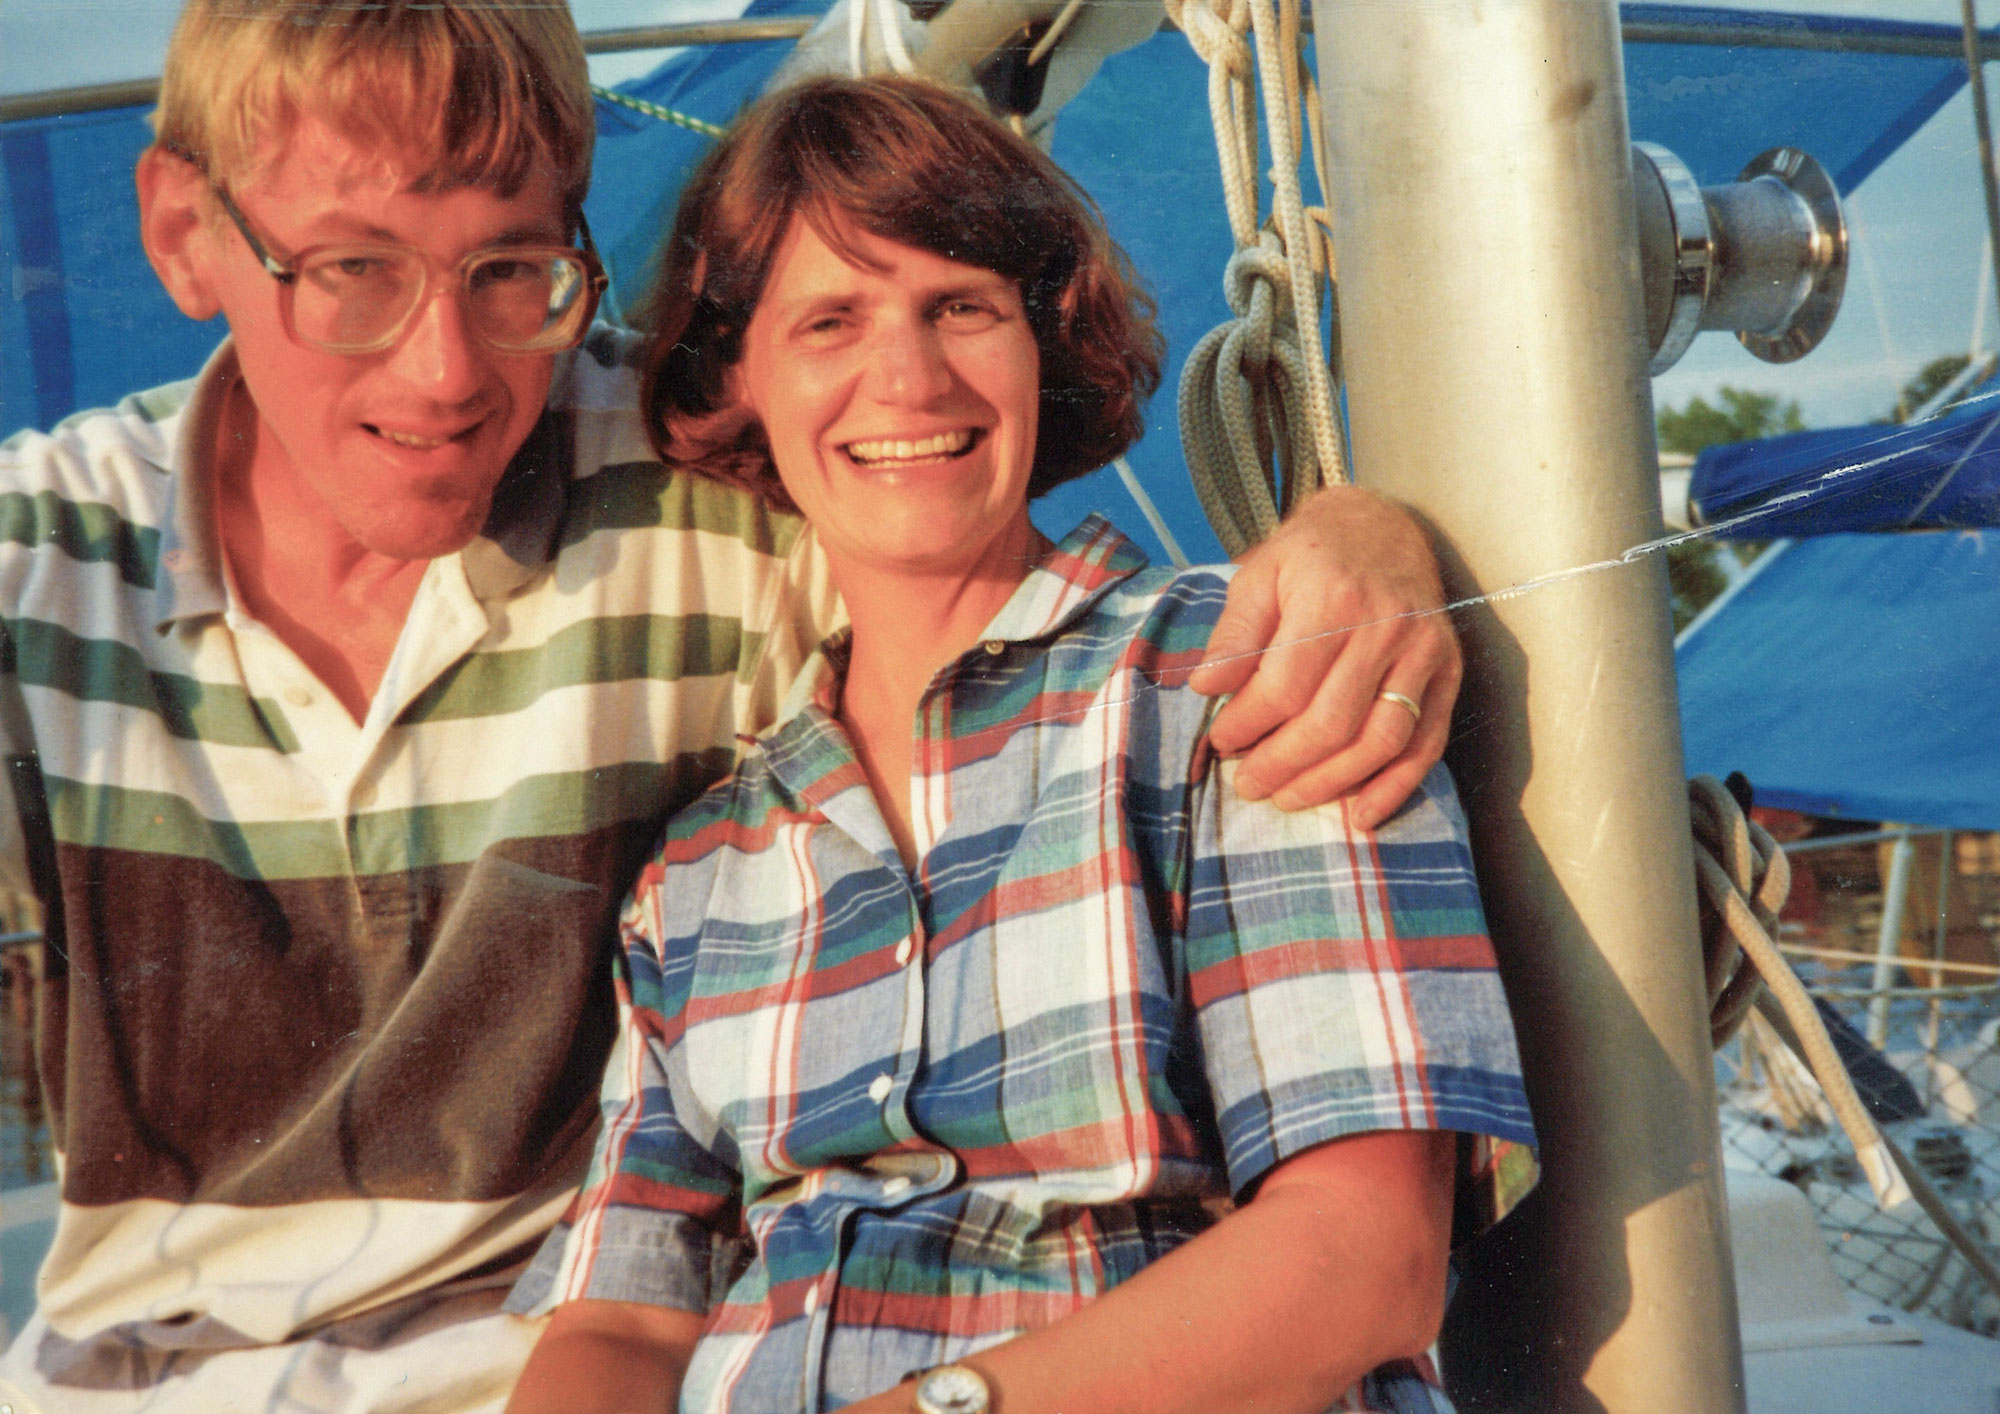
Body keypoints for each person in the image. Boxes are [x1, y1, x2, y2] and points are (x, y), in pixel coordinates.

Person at [0, 4, 1470, 1412]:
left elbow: (944, 525)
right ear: (183, 229)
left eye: (513, 269)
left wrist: (1369, 538)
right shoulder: (34, 573)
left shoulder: (753, 502)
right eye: (353, 271)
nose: (448, 370)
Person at [504, 76, 1535, 1414]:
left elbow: (1362, 1256)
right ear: (737, 377)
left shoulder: (1236, 679)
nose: (909, 377)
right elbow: (623, 1329)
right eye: (830, 320)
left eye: (962, 307)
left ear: (1046, 342)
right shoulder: (702, 868)